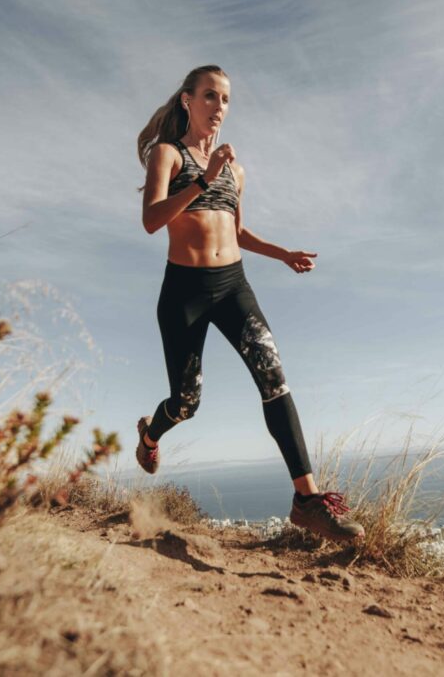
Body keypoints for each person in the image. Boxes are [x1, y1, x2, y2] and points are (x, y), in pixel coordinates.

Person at [134, 64, 364, 543]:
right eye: (210, 97)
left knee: (273, 377)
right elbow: (152, 220)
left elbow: (236, 232)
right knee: (186, 401)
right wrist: (202, 179)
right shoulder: (168, 154)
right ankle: (151, 436)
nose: (219, 107)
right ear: (187, 100)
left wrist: (283, 255)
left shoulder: (235, 168)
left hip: (232, 284)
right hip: (184, 291)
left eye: (225, 100)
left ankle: (308, 500)